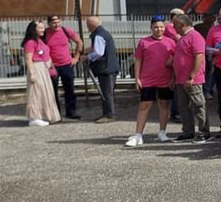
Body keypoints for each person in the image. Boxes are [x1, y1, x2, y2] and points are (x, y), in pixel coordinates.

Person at [126, 17, 175, 147]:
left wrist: (173, 77)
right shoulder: (143, 42)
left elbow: (175, 61)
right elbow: (138, 60)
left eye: (161, 27)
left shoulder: (171, 42)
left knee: (164, 105)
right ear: (151, 28)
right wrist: (137, 78)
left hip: (165, 79)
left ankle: (162, 132)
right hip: (147, 79)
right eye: (156, 27)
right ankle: (138, 134)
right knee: (144, 106)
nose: (159, 29)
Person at [171, 13, 209, 143]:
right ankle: (188, 132)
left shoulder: (195, 37)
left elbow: (199, 56)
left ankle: (204, 132)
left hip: (192, 79)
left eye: (175, 25)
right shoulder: (183, 38)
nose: (173, 27)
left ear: (182, 25)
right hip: (181, 79)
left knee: (198, 105)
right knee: (183, 106)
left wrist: (192, 76)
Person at [21, 20, 61, 127]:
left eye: (43, 27)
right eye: (40, 28)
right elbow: (28, 59)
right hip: (37, 68)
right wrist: (32, 73)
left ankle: (45, 115)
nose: (43, 29)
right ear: (34, 29)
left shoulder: (40, 41)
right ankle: (34, 117)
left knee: (45, 91)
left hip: (43, 68)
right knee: (36, 92)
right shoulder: (30, 43)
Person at [44, 14, 83, 119]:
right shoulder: (45, 33)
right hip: (52, 66)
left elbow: (79, 42)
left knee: (69, 89)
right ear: (49, 23)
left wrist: (76, 57)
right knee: (52, 91)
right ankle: (56, 114)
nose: (56, 25)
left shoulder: (66, 31)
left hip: (67, 64)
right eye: (54, 23)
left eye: (58, 22)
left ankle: (71, 112)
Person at [85, 16, 119, 123]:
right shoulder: (104, 33)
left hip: (105, 68)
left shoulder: (99, 35)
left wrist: (87, 57)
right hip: (110, 67)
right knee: (107, 92)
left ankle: (109, 114)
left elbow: (99, 53)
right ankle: (107, 113)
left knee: (106, 93)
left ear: (90, 25)